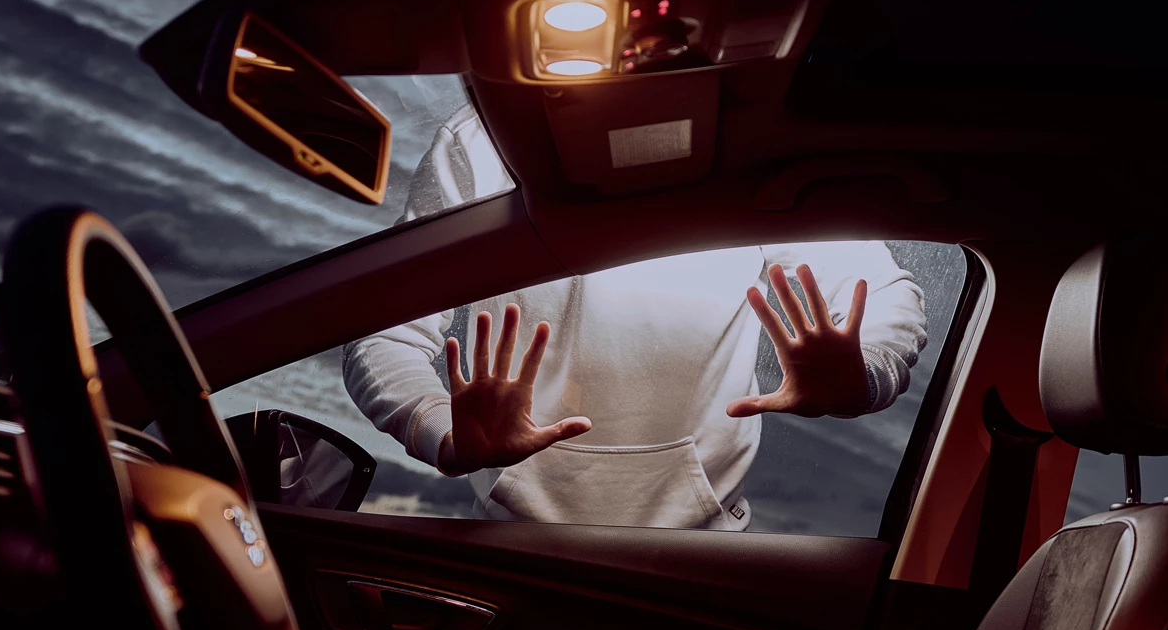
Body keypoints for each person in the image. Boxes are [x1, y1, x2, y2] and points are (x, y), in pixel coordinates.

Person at [344, 106, 927, 530]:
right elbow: (381, 331)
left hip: (706, 549)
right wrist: (441, 430)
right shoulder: (484, 141)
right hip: (512, 538)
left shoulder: (752, 140)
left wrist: (863, 374)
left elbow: (884, 291)